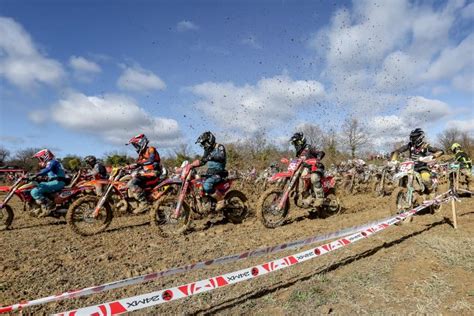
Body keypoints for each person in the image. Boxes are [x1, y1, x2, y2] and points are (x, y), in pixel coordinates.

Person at [126, 134, 162, 214]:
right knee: (128, 179)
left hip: (154, 173)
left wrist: (139, 164)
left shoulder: (151, 149)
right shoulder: (141, 155)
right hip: (146, 173)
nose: (136, 147)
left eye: (136, 145)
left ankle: (144, 203)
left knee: (132, 183)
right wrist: (126, 167)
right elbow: (137, 164)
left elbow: (151, 160)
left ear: (141, 142)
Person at [289, 132, 326, 206]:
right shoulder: (298, 153)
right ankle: (307, 197)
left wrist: (317, 159)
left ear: (301, 141)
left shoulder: (309, 147)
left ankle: (320, 198)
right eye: (294, 143)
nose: (296, 145)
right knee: (298, 178)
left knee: (314, 178)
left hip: (315, 168)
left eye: (296, 143)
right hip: (305, 169)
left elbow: (320, 152)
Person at [193, 131, 228, 202]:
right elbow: (203, 161)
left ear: (210, 140)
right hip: (210, 173)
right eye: (203, 144)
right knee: (196, 183)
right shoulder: (207, 150)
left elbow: (222, 157)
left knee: (207, 185)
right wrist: (192, 165)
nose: (204, 145)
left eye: (204, 143)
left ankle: (221, 201)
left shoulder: (219, 147)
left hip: (219, 173)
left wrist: (211, 157)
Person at [30, 149, 66, 217]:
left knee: (35, 191)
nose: (39, 161)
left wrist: (36, 174)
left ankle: (49, 205)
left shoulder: (53, 162)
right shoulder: (52, 163)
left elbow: (48, 169)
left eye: (40, 158)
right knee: (36, 187)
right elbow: (48, 172)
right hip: (55, 181)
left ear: (45, 156)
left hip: (58, 182)